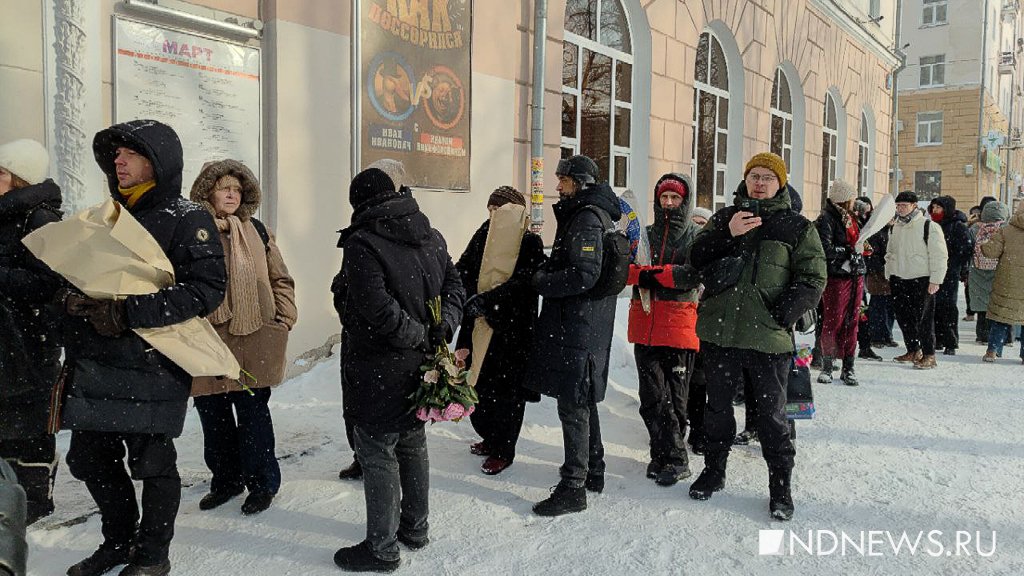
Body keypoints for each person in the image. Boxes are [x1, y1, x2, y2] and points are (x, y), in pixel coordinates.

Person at [58, 120, 227, 576]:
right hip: (97, 362)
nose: (119, 161)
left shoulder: (187, 217)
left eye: (130, 153)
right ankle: (118, 540)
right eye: (115, 154)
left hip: (152, 362)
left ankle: (153, 554)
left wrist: (127, 312)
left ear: (157, 160)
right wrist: (72, 301)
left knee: (152, 464)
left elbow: (207, 290)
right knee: (89, 459)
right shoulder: (106, 216)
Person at [332, 168, 464, 572]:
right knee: (411, 442)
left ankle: (382, 548)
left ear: (358, 203)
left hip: (379, 365)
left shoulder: (363, 242)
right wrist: (442, 327)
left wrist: (418, 334)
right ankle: (415, 528)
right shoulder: (430, 234)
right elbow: (455, 287)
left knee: (378, 451)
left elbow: (377, 310)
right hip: (421, 365)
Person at [687, 152, 826, 521]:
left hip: (768, 340)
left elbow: (813, 279)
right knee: (717, 409)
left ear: (780, 183)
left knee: (772, 416)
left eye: (767, 177)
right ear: (745, 179)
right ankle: (714, 471)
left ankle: (780, 487)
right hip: (720, 334)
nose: (760, 183)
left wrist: (780, 316)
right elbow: (696, 257)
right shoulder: (724, 218)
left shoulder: (796, 226)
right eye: (754, 176)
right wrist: (727, 234)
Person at [187, 160, 297, 515]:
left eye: (237, 189)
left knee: (253, 415)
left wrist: (284, 318)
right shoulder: (190, 231)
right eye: (224, 188)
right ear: (208, 192)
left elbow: (280, 278)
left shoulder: (257, 231)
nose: (232, 194)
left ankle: (262, 484)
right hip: (208, 340)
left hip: (254, 338)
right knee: (213, 416)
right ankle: (226, 481)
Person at [525, 154, 621, 517]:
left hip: (580, 324)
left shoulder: (586, 218)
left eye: (563, 180)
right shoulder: (591, 213)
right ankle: (593, 470)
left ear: (579, 183)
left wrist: (542, 281)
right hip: (583, 323)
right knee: (582, 398)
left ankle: (573, 487)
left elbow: (584, 274)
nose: (557, 186)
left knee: (573, 404)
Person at [455, 186, 544, 475]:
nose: (493, 214)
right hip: (478, 325)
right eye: (490, 209)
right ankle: (489, 436)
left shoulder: (529, 241)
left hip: (510, 332)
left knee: (506, 395)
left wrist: (491, 301)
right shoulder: (484, 233)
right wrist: (466, 294)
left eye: (499, 209)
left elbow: (525, 284)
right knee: (476, 385)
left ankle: (503, 449)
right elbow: (465, 267)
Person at [333, 158, 410, 482]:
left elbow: (384, 292)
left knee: (383, 408)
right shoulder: (366, 229)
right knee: (357, 400)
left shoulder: (405, 225)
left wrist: (408, 329)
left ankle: (381, 461)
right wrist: (341, 290)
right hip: (363, 331)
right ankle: (363, 455)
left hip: (383, 335)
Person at [0, 139, 62, 526]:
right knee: (6, 422)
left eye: (1, 172)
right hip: (6, 338)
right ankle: (9, 498)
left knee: (29, 424)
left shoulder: (40, 219)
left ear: (20, 178)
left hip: (28, 339)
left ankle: (35, 499)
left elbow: (49, 282)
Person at [626, 173, 702, 486]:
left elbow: (693, 274)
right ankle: (662, 453)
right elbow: (625, 270)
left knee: (676, 400)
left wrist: (654, 275)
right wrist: (639, 275)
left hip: (678, 326)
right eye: (664, 197)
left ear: (685, 201)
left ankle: (675, 457)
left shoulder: (695, 236)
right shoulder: (644, 235)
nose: (669, 203)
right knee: (651, 397)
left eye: (675, 198)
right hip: (645, 324)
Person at [885, 191, 947, 370]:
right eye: (898, 205)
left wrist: (936, 280)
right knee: (904, 317)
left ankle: (929, 354)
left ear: (914, 206)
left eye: (904, 205)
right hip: (899, 278)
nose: (900, 209)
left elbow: (939, 255)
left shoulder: (928, 226)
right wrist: (889, 272)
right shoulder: (895, 226)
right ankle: (913, 350)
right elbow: (890, 252)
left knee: (923, 319)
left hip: (921, 279)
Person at [814, 181, 867, 385]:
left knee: (852, 322)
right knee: (833, 320)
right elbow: (824, 248)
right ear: (844, 199)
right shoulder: (826, 219)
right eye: (852, 198)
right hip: (836, 276)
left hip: (855, 274)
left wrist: (863, 248)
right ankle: (827, 365)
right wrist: (848, 250)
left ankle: (848, 366)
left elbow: (858, 241)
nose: (854, 201)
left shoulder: (852, 218)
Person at [927, 196, 973, 356]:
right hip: (932, 271)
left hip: (949, 273)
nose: (935, 211)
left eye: (938, 208)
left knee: (948, 307)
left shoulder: (957, 226)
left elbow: (966, 248)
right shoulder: (932, 225)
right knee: (933, 306)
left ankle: (950, 341)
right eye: (933, 208)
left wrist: (953, 264)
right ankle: (937, 339)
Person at [980, 204, 1024, 363]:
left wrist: (985, 242)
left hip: (1007, 281)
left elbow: (990, 252)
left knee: (1001, 316)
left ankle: (992, 351)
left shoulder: (1006, 231)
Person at [968, 201, 1009, 345]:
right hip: (1001, 272)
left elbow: (968, 247)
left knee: (982, 307)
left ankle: (983, 335)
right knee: (1003, 306)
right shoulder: (1007, 229)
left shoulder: (975, 229)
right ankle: (1006, 337)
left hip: (978, 272)